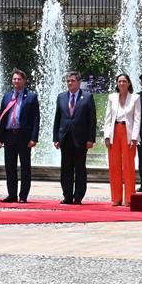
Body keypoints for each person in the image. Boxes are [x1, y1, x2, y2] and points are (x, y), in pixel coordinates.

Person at [0, 69, 40, 203]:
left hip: (24, 136)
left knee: (25, 167)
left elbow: (36, 119)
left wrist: (34, 138)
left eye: (19, 79)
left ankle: (23, 196)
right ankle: (12, 194)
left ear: (24, 81)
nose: (16, 81)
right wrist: (0, 137)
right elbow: (2, 117)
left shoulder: (31, 97)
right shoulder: (7, 96)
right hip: (9, 135)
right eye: (14, 79)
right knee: (10, 167)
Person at [53, 71, 96, 205]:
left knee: (79, 169)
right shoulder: (61, 97)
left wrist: (91, 139)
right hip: (65, 137)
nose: (70, 83)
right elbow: (57, 119)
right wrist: (56, 137)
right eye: (68, 81)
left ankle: (78, 196)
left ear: (78, 82)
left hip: (80, 139)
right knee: (65, 169)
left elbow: (92, 120)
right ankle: (67, 195)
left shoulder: (87, 97)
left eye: (72, 81)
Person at [103, 73, 140, 206]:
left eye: (124, 81)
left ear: (129, 83)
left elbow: (137, 119)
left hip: (128, 132)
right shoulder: (112, 97)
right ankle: (116, 197)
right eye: (119, 81)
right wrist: (107, 136)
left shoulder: (135, 98)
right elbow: (107, 118)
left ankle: (129, 198)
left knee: (128, 165)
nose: (122, 84)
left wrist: (135, 137)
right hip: (114, 131)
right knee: (114, 165)